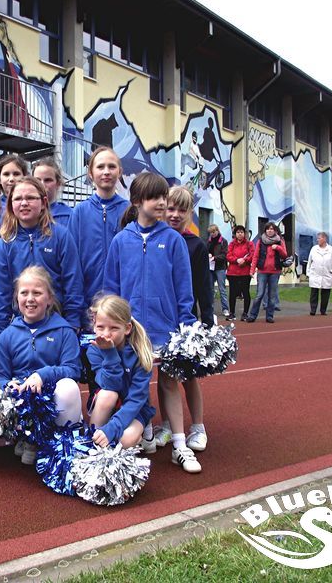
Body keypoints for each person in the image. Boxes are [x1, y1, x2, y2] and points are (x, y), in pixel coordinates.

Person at [103, 173, 200, 473]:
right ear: (136, 201)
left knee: (169, 383)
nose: (162, 203)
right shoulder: (121, 241)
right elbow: (111, 288)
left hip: (166, 330)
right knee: (136, 383)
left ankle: (180, 445)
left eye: (163, 197)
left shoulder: (173, 240)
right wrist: (114, 326)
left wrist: (187, 327)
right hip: (133, 332)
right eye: (155, 197)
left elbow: (184, 289)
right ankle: (144, 432)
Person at [0, 266, 83, 464]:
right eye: (24, 293)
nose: (30, 299)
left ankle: (55, 440)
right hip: (21, 401)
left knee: (69, 387)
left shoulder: (65, 331)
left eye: (37, 293)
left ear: (50, 299)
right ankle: (27, 437)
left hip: (51, 402)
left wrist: (42, 375)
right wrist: (8, 386)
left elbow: (73, 370)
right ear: (16, 298)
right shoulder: (7, 335)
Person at [155, 185, 212, 455]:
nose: (175, 214)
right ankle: (167, 425)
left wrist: (207, 322)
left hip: (186, 322)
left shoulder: (196, 245)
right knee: (164, 375)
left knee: (188, 376)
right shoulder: (155, 240)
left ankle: (198, 427)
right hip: (161, 321)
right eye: (170, 208)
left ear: (190, 213)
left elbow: (204, 287)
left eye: (182, 210)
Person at [0, 176, 83, 334]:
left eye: (30, 198)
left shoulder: (61, 236)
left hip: (57, 325)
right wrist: (2, 332)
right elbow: (1, 293)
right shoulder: (5, 243)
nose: (24, 203)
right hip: (20, 328)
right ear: (11, 205)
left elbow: (73, 282)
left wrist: (72, 323)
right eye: (18, 199)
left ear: (43, 202)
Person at [67, 146, 129, 327]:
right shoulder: (79, 212)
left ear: (120, 172)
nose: (106, 172)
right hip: (87, 306)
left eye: (112, 166)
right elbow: (72, 264)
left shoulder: (129, 211)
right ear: (90, 173)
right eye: (100, 167)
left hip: (122, 305)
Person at [86, 294, 156, 450]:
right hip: (109, 404)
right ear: (94, 325)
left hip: (135, 410)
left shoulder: (140, 353)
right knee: (108, 394)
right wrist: (110, 354)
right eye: (100, 327)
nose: (106, 334)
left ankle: (134, 437)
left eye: (114, 328)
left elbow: (136, 400)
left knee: (127, 439)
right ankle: (91, 443)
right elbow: (110, 385)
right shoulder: (94, 350)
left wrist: (112, 428)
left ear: (127, 328)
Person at [244, 222, 287, 323]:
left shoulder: (280, 241)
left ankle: (269, 316)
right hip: (262, 271)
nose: (270, 231)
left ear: (275, 231)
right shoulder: (261, 241)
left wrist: (278, 248)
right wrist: (252, 270)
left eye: (272, 229)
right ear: (265, 231)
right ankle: (252, 315)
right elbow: (256, 256)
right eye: (268, 229)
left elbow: (284, 255)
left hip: (275, 272)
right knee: (259, 294)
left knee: (272, 296)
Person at [306, 231, 332, 316]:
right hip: (315, 274)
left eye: (319, 238)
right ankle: (313, 310)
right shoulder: (314, 249)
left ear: (324, 239)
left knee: (325, 293)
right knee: (314, 293)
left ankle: (323, 310)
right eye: (317, 238)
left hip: (327, 275)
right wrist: (308, 273)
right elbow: (309, 261)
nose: (317, 240)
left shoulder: (331, 250)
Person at [226, 224, 255, 321]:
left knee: (245, 292)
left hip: (245, 272)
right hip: (233, 273)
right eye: (238, 232)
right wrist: (236, 260)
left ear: (244, 233)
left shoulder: (249, 244)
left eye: (241, 232)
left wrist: (245, 260)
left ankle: (245, 313)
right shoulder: (231, 244)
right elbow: (228, 255)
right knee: (232, 293)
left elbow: (252, 255)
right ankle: (232, 313)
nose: (240, 234)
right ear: (235, 234)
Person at [33, 157, 72, 227]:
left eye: (48, 180)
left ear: (58, 184)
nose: (42, 184)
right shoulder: (22, 214)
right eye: (37, 180)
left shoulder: (70, 216)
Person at [207, 224, 230, 318]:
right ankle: (210, 309)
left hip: (220, 268)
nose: (212, 234)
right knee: (210, 289)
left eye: (213, 232)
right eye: (210, 232)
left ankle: (225, 309)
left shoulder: (223, 241)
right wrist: (208, 255)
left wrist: (214, 258)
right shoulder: (208, 241)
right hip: (211, 268)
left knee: (222, 289)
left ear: (217, 231)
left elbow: (224, 255)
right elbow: (206, 251)